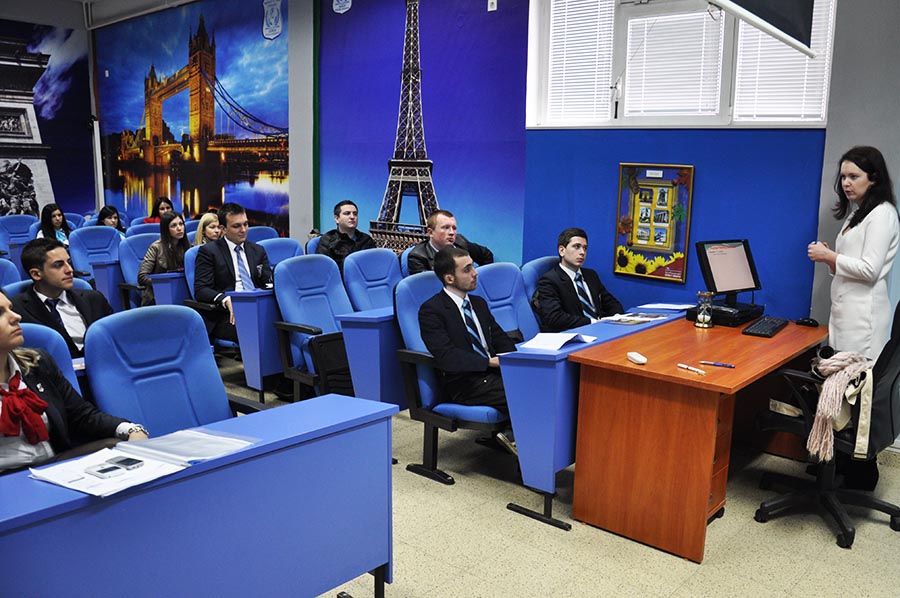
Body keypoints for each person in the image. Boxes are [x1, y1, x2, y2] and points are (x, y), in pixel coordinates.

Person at [0, 289, 148, 475]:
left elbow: (81, 415)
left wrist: (130, 429)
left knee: (119, 447)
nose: (16, 317)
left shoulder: (37, 363)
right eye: (1, 313)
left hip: (48, 468)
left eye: (11, 308)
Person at [418, 246, 518, 454]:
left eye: (473, 266)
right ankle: (522, 446)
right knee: (526, 391)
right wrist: (488, 362)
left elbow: (500, 338)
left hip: (493, 373)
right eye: (467, 269)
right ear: (449, 278)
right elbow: (446, 356)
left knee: (539, 382)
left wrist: (514, 359)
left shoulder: (478, 304)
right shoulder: (431, 310)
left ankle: (511, 435)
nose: (475, 273)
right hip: (464, 382)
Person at [808, 146, 900, 359]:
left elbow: (870, 270)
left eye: (853, 176)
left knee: (855, 374)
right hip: (845, 312)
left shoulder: (882, 214)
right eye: (843, 177)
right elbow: (851, 261)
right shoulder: (858, 213)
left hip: (863, 316)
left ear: (873, 179)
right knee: (840, 372)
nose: (846, 183)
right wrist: (830, 259)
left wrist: (830, 256)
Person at [11, 238, 114, 359]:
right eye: (58, 265)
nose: (69, 270)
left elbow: (113, 339)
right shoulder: (16, 310)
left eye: (68, 262)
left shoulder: (94, 299)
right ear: (36, 274)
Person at [194, 202, 272, 342]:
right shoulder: (209, 252)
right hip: (227, 314)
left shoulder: (257, 250)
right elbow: (201, 289)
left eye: (246, 224)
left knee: (282, 324)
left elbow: (267, 281)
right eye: (237, 226)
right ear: (223, 229)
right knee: (258, 328)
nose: (243, 230)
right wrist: (224, 299)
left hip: (257, 308)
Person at [534, 228, 624, 332]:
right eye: (577, 247)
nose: (582, 252)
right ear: (562, 251)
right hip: (574, 334)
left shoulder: (591, 275)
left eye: (585, 248)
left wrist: (617, 318)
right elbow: (555, 318)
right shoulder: (549, 281)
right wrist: (593, 322)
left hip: (601, 330)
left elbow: (612, 303)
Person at [407, 210, 494, 275]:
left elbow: (486, 255)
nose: (452, 232)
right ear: (430, 232)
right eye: (445, 227)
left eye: (454, 228)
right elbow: (424, 288)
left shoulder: (461, 242)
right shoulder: (417, 257)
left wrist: (478, 280)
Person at [138, 212, 191, 306]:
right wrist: (163, 282)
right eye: (174, 225)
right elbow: (142, 277)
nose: (179, 228)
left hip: (182, 292)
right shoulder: (156, 247)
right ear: (166, 229)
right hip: (158, 296)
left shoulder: (188, 246)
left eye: (181, 224)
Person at [316, 200, 376, 271]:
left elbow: (374, 266)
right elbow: (323, 269)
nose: (352, 217)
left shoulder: (367, 240)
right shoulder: (327, 240)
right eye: (347, 213)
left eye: (355, 214)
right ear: (337, 218)